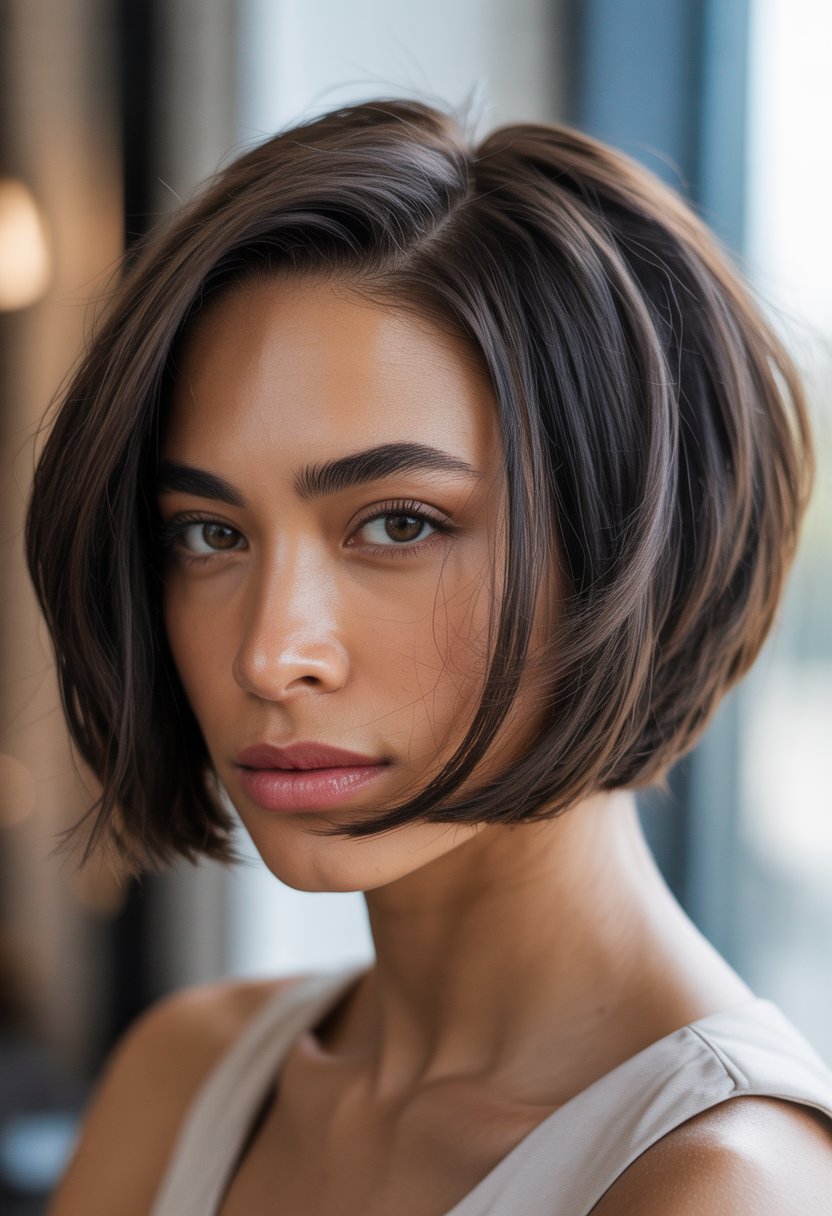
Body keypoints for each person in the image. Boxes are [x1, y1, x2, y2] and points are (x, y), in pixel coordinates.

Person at [26, 98, 832, 1215]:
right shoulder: (189, 1074)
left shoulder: (721, 1184)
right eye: (209, 534)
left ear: (627, 548)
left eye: (398, 523)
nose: (271, 654)